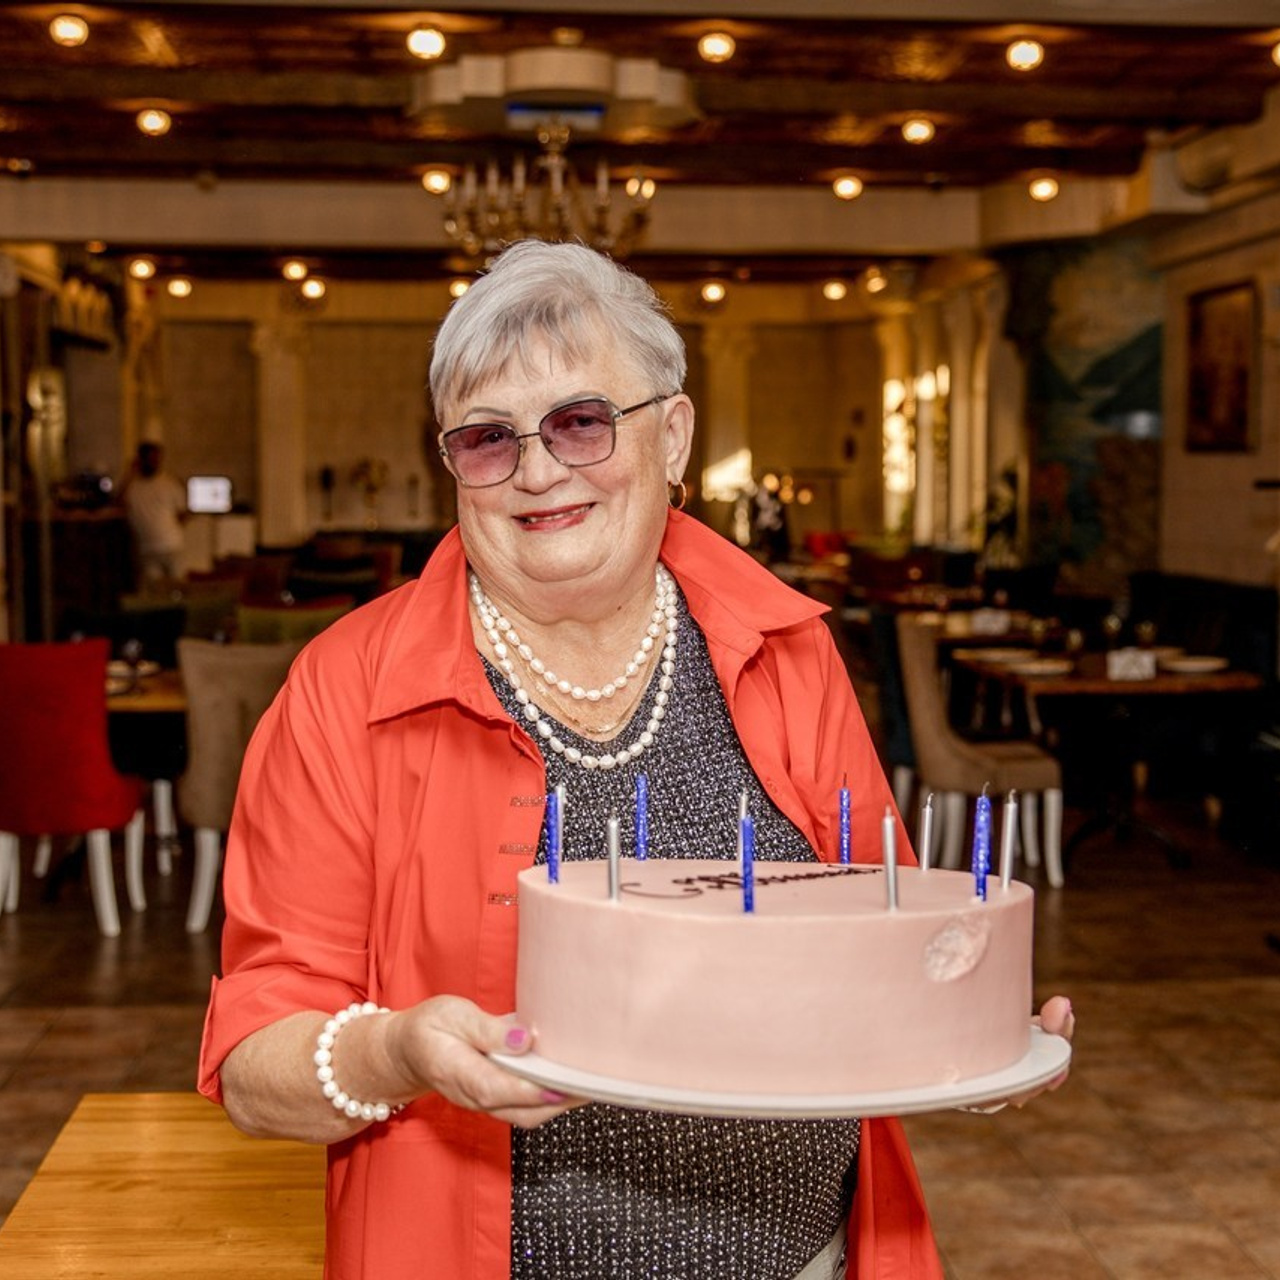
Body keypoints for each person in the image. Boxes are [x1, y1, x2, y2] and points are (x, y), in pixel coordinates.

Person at [198, 241, 1073, 1279]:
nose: (536, 471)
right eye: (488, 438)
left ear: (673, 435)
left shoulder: (785, 647)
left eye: (580, 421)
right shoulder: (346, 690)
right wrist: (393, 1052)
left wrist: (965, 1038)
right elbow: (253, 1064)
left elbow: (880, 950)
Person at [120, 439, 186, 587]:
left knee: (177, 585)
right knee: (154, 588)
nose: (154, 463)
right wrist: (129, 474)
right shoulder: (132, 486)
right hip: (147, 548)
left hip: (171, 545)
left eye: (157, 459)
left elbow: (182, 514)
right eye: (150, 459)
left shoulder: (170, 484)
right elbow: (118, 503)